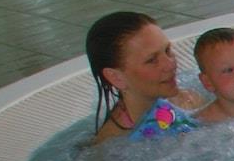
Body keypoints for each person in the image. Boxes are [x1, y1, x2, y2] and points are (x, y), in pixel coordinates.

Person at [84, 11, 205, 144]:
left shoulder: (187, 100)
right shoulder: (110, 146)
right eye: (151, 60)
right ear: (116, 78)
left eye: (167, 50)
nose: (170, 64)